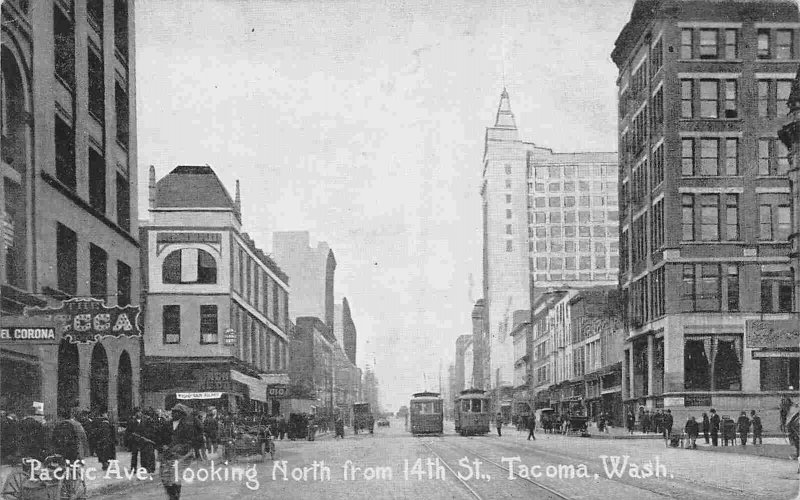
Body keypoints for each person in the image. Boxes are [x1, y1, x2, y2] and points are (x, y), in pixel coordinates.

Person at [125, 408, 145, 472]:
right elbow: (128, 431)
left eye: (140, 412)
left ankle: (143, 467)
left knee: (143, 454)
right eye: (138, 412)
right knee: (134, 454)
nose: (139, 413)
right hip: (134, 440)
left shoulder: (144, 420)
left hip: (142, 439)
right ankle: (133, 468)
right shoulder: (132, 421)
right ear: (135, 413)